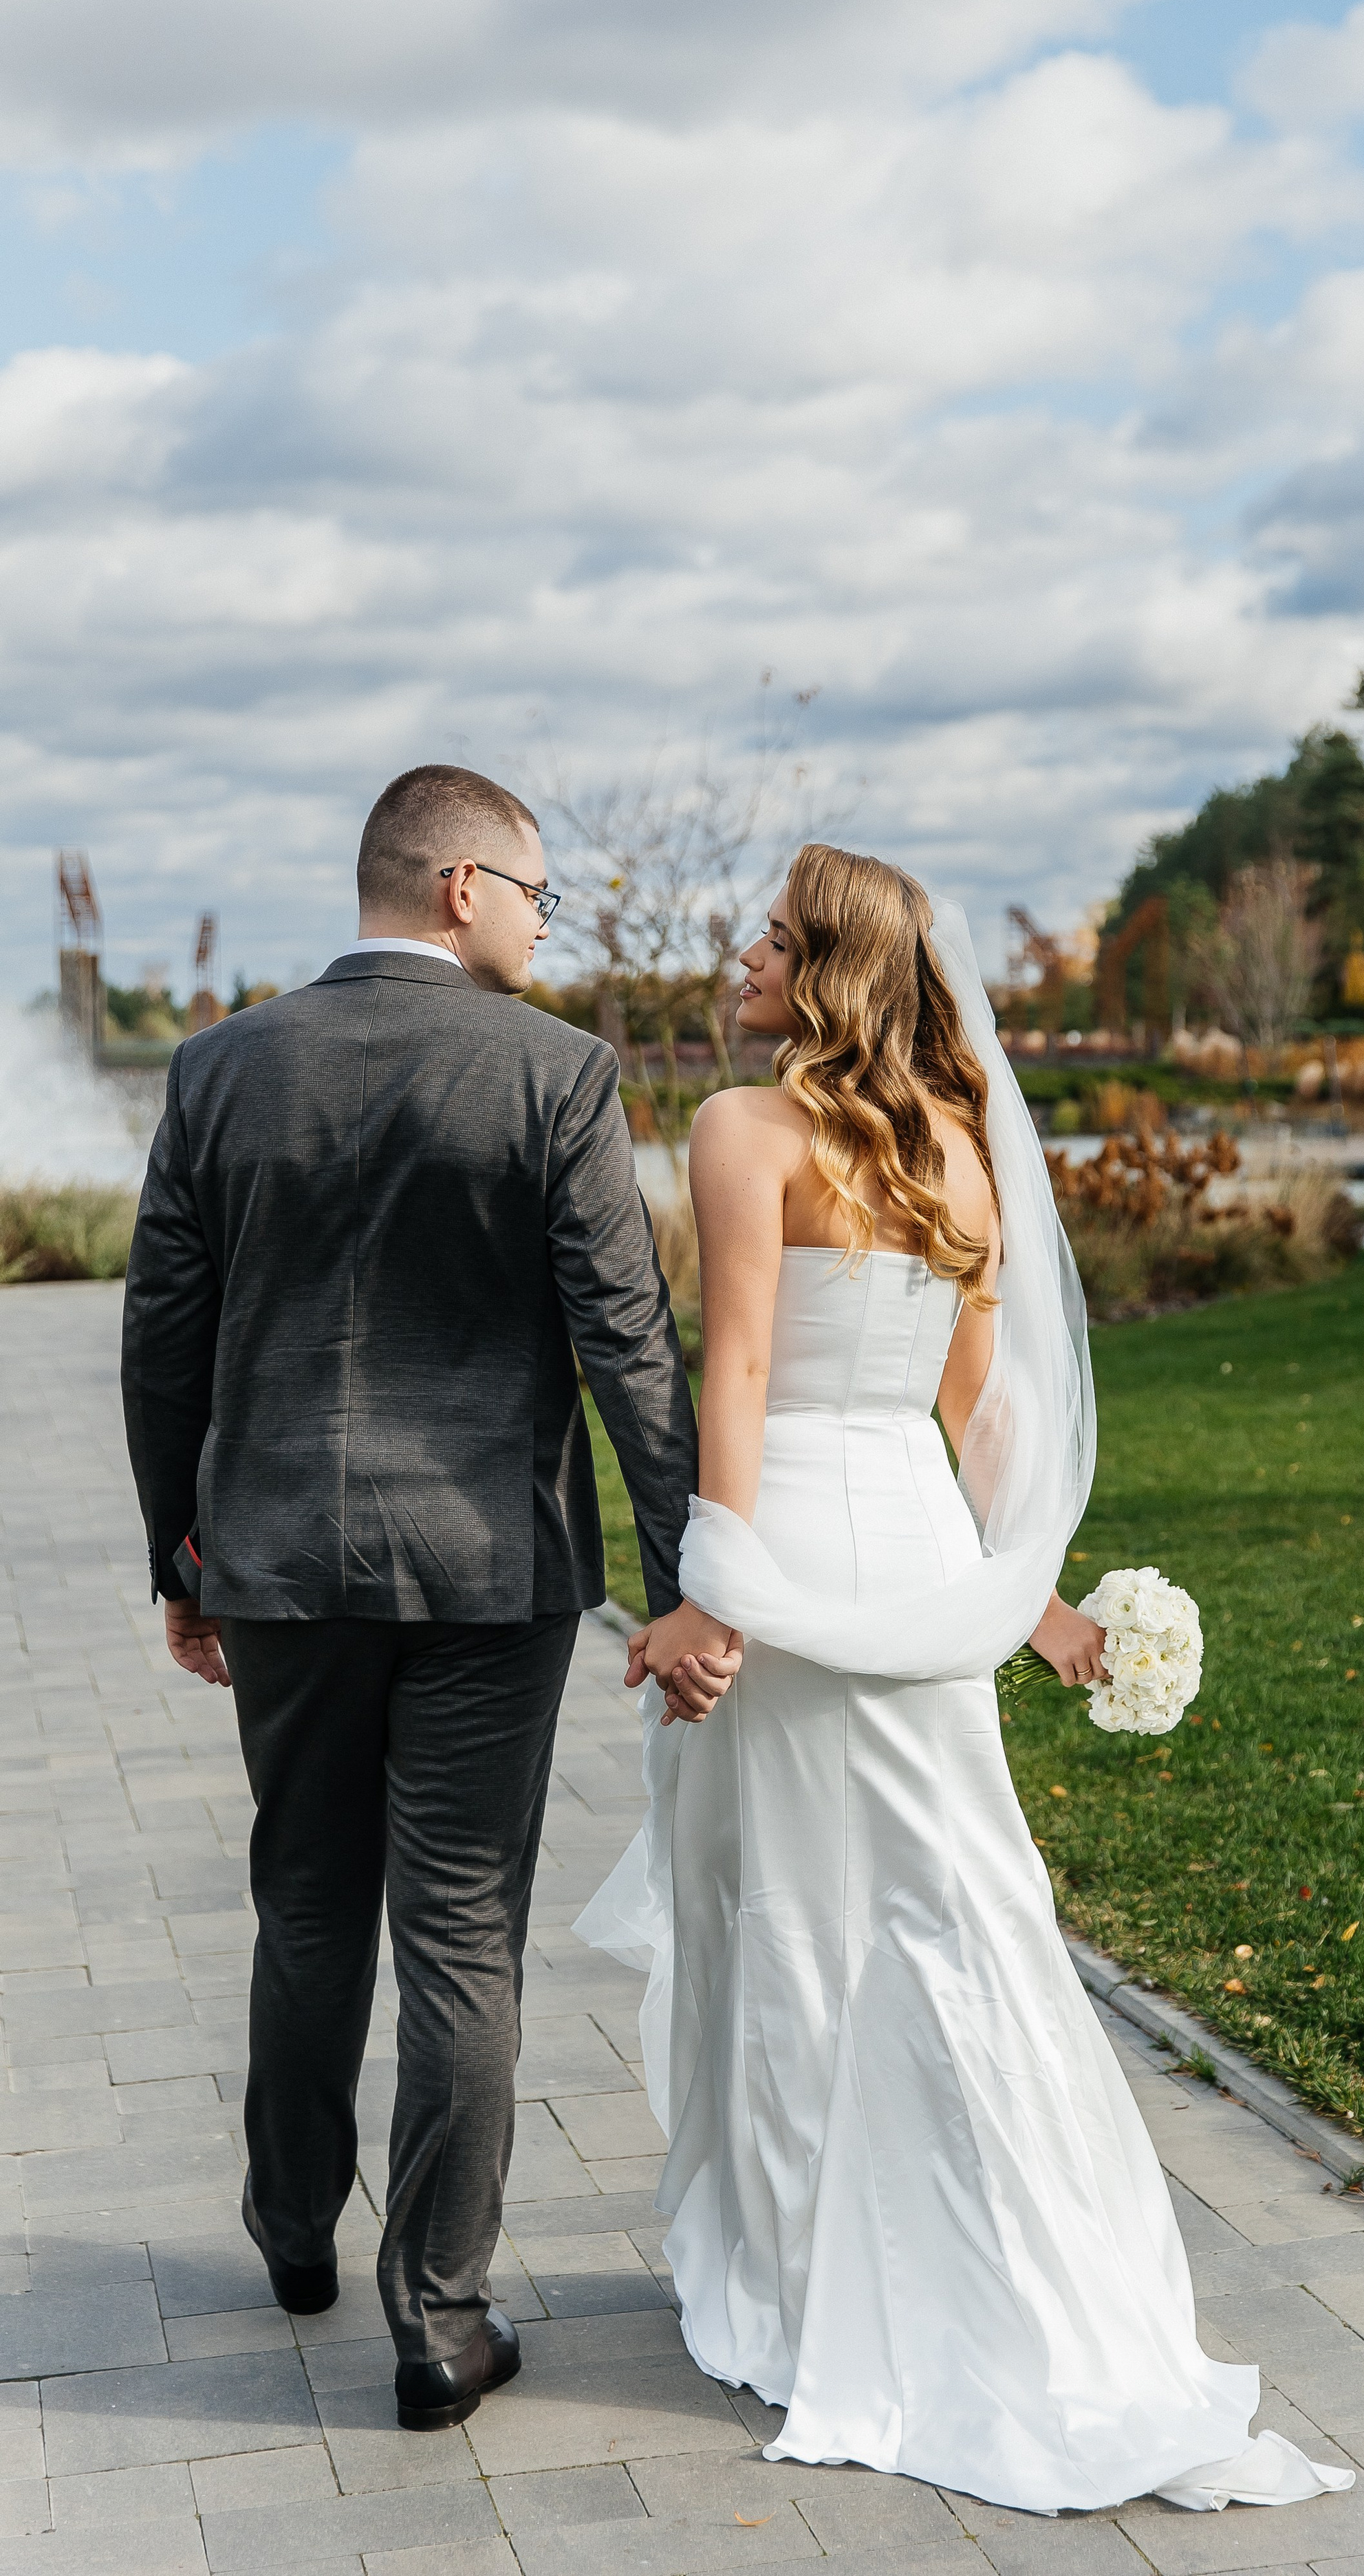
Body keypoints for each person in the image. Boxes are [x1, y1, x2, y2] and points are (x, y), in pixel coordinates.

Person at [579, 844, 1356, 2515]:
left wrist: (714, 1593)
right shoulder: (960, 1142)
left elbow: (737, 1368)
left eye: (770, 939)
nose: (741, 957)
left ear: (826, 971)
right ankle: (1020, 2250)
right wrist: (1035, 1603)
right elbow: (975, 1412)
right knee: (953, 1906)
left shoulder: (742, 1130)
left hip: (791, 1549)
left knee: (789, 1910)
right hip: (923, 1559)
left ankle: (812, 2280)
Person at [120, 764, 737, 2433]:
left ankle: (290, 2230)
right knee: (461, 1932)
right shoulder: (554, 1072)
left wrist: (182, 1554)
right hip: (487, 1572)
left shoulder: (221, 1068)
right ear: (463, 885)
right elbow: (628, 1343)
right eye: (539, 893)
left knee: (308, 1901)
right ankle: (440, 2320)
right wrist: (685, 1581)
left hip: (278, 1567)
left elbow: (162, 1334)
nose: (548, 924)